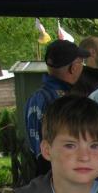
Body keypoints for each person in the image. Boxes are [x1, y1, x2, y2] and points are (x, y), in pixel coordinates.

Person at [25, 40, 90, 170]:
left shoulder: (34, 98)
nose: (82, 67)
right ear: (73, 68)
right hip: (62, 173)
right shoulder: (66, 102)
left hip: (40, 173)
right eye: (81, 62)